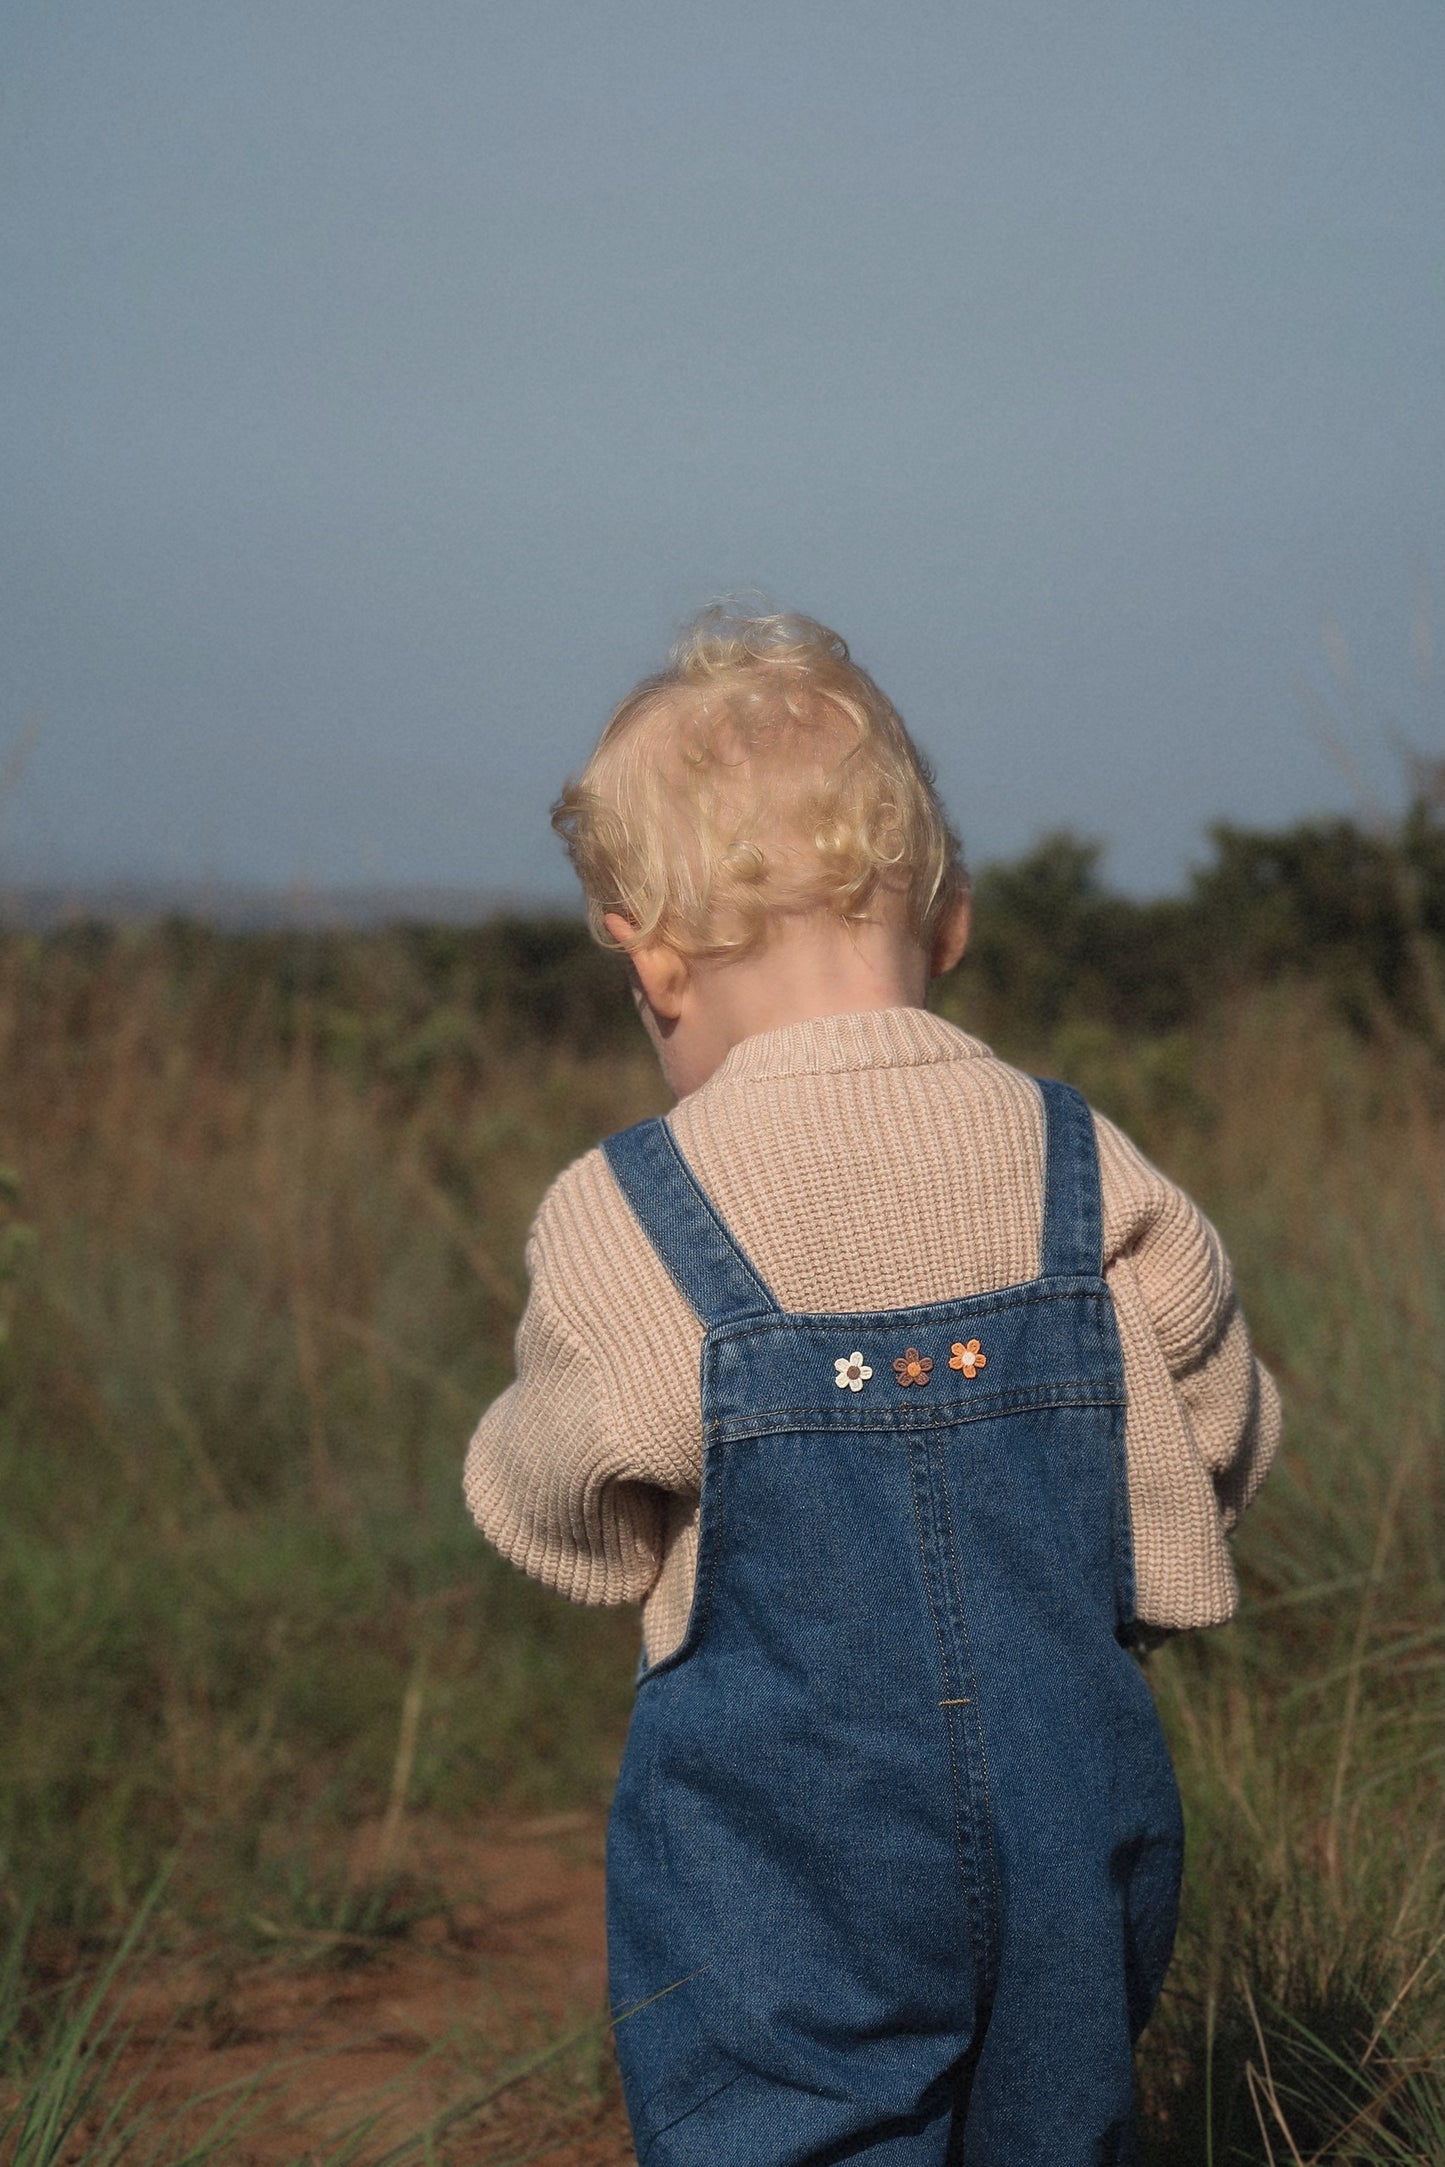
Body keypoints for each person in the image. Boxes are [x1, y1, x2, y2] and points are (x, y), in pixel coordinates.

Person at [463, 607, 1279, 2165]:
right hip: (1070, 1808)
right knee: (1053, 2128)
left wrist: (603, 1527)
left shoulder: (629, 1207)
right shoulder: (1079, 1160)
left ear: (650, 959)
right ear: (949, 920)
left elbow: (562, 1495)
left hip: (775, 1837)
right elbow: (1215, 1428)